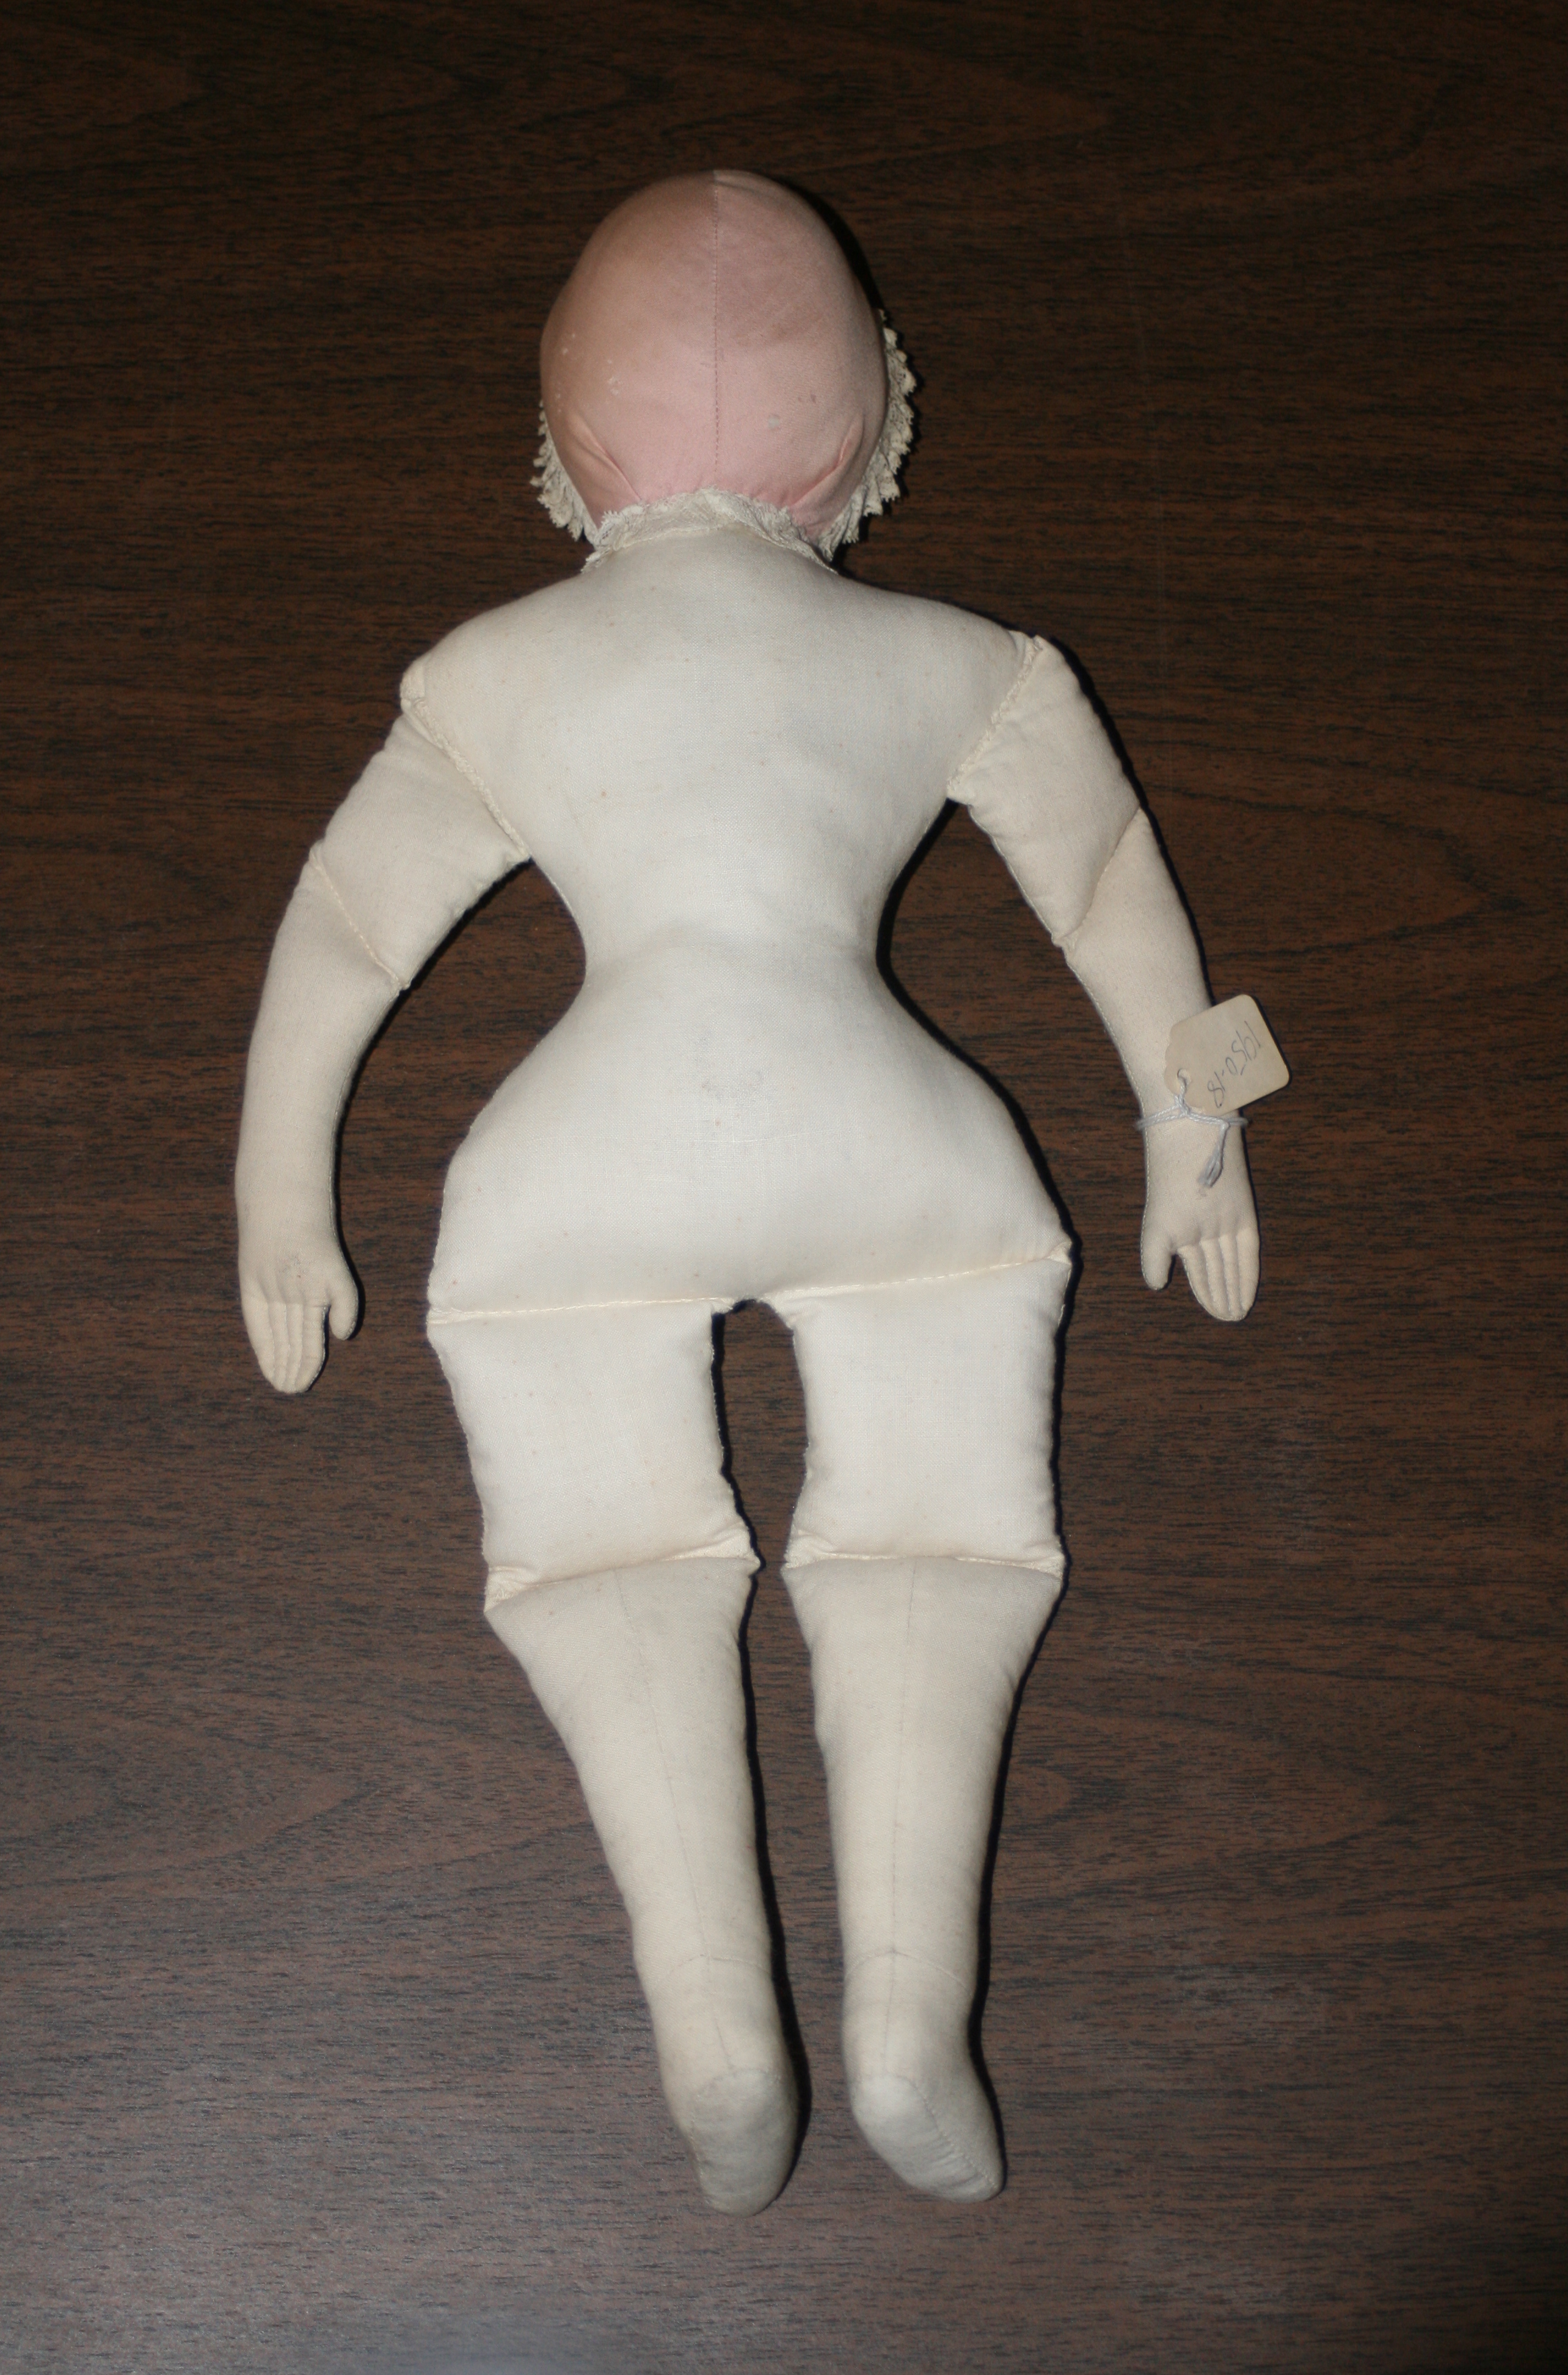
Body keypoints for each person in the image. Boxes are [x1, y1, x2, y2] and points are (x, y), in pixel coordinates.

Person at [236, 170, 1259, 2215]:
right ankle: (911, 2025)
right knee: (941, 1537)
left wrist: (280, 1194)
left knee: (599, 1554)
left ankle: (714, 2025)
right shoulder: (964, 660)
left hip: (575, 1160)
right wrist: (1199, 1132)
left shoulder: (493, 671)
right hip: (897, 1138)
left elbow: (343, 930)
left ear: (566, 447)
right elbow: (1111, 890)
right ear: (866, 438)